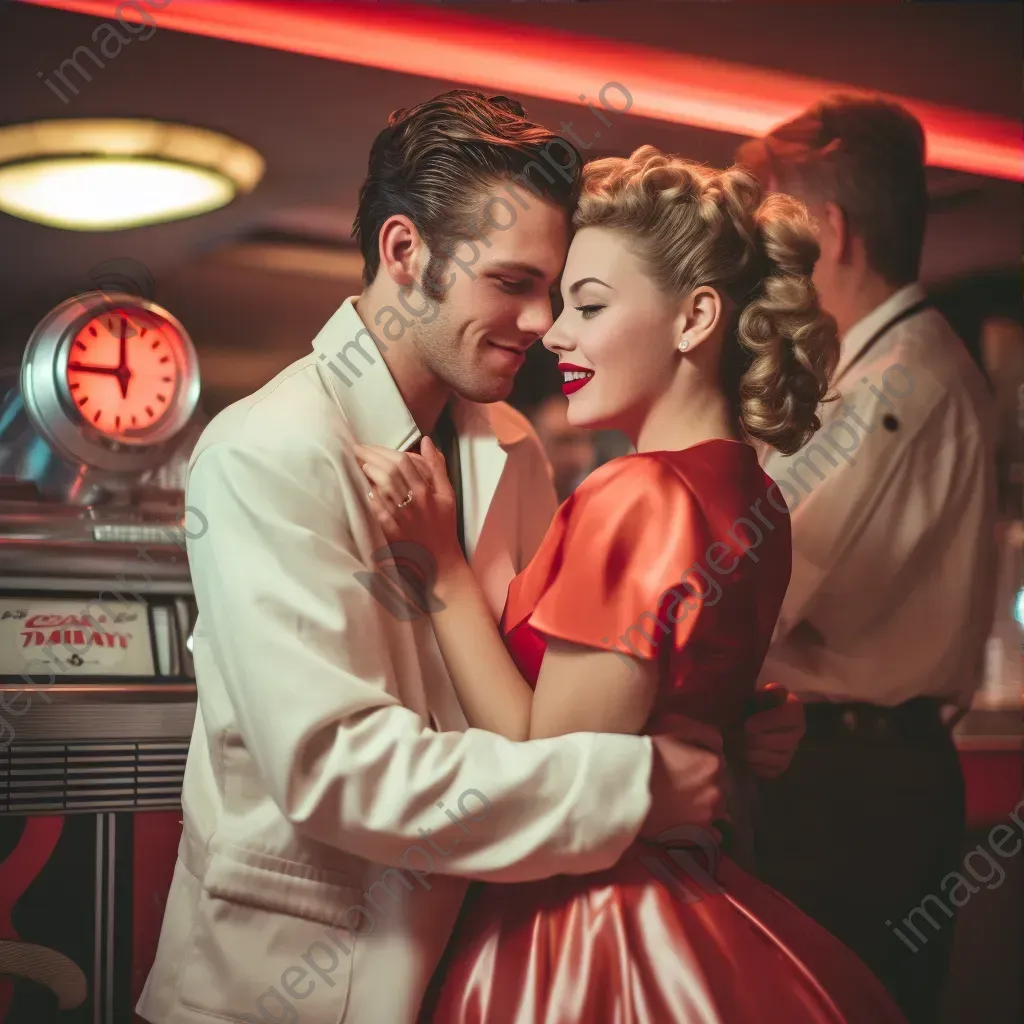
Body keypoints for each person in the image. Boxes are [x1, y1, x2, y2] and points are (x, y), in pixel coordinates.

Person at [136, 93, 804, 1024]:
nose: (541, 323)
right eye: (512, 283)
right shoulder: (269, 451)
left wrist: (703, 706)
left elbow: (549, 693)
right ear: (405, 252)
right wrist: (637, 785)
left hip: (480, 960)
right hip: (300, 983)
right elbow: (337, 768)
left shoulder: (514, 444)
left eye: (561, 290)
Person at [356, 146, 908, 1023]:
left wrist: (441, 567)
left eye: (588, 305)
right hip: (689, 892)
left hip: (584, 922)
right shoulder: (748, 492)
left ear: (695, 319)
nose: (553, 332)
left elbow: (551, 764)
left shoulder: (637, 491)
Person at [735, 95, 999, 1022]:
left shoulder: (897, 384)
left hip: (852, 783)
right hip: (861, 768)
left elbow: (761, 587)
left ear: (829, 230)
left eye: (774, 229)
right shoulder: (881, 368)